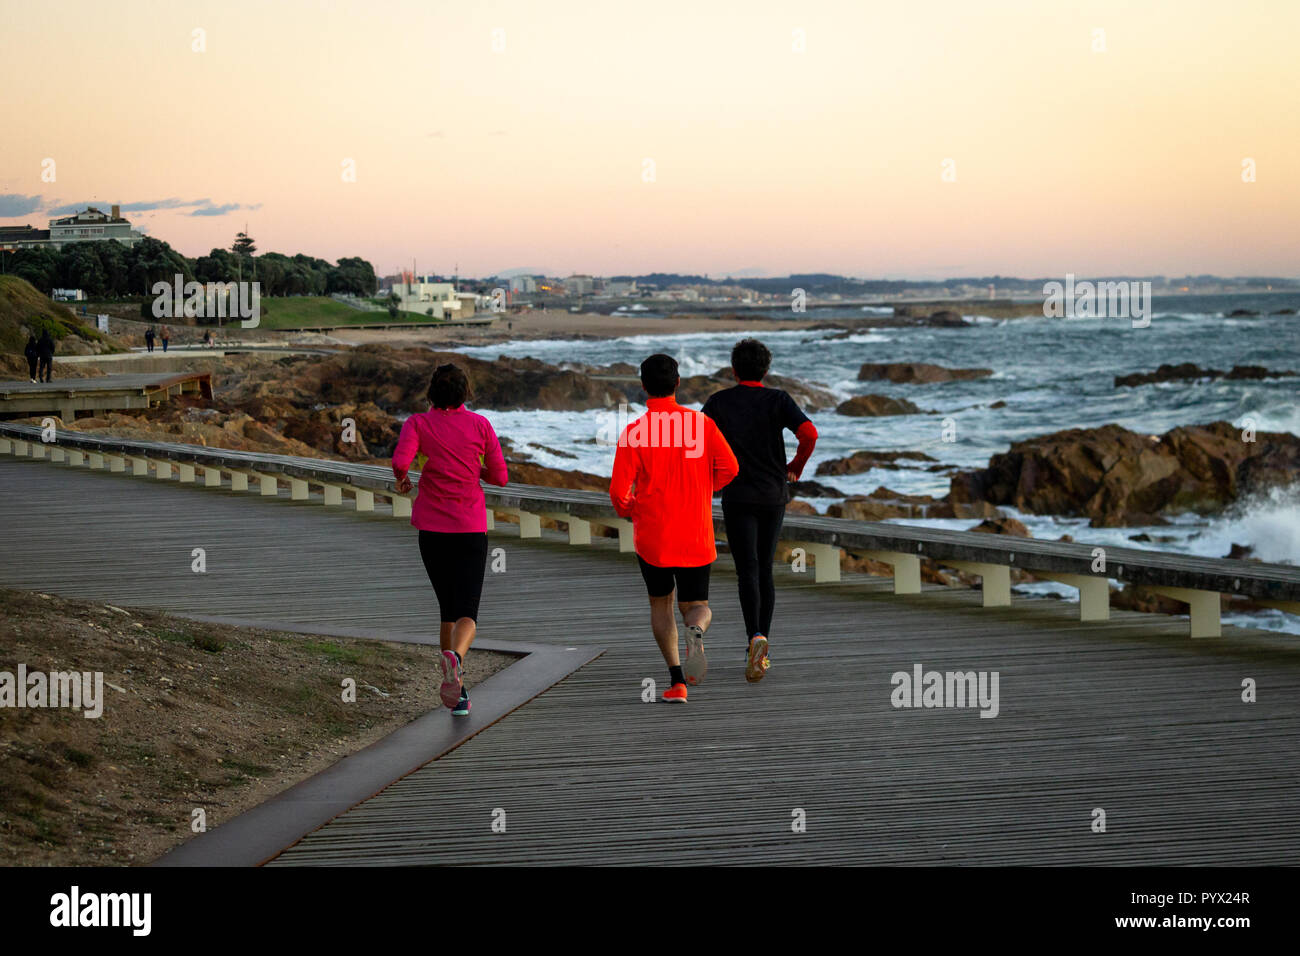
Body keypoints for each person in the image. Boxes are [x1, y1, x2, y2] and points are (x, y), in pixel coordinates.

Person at [610, 353, 739, 703]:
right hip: (695, 530)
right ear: (678, 384)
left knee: (660, 605)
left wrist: (630, 510)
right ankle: (696, 630)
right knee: (696, 604)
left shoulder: (635, 432)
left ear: (643, 387)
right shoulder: (701, 425)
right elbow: (730, 468)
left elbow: (618, 492)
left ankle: (677, 681)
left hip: (654, 535)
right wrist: (704, 487)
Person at [392, 363, 508, 717]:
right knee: (467, 613)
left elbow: (400, 460)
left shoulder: (418, 423)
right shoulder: (480, 425)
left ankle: (457, 694)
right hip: (470, 528)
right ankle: (456, 660)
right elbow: (501, 478)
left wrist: (403, 479)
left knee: (447, 609)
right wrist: (477, 469)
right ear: (466, 394)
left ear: (431, 393)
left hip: (432, 529)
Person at [701, 339, 818, 683]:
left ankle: (753, 636)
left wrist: (712, 477)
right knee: (765, 569)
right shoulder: (778, 399)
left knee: (746, 571)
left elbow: (698, 443)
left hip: (737, 495)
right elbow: (809, 433)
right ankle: (762, 642)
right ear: (766, 370)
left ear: (734, 370)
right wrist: (795, 465)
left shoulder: (719, 402)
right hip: (771, 495)